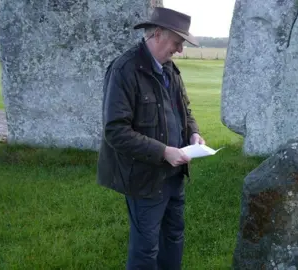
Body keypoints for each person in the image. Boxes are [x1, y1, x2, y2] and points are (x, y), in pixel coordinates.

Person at [96, 7, 205, 270]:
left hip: (175, 174)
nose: (179, 50)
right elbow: (115, 130)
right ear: (157, 34)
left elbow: (184, 109)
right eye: (177, 42)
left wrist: (194, 131)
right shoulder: (125, 69)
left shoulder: (170, 69)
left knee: (174, 237)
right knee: (146, 249)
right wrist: (163, 151)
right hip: (144, 178)